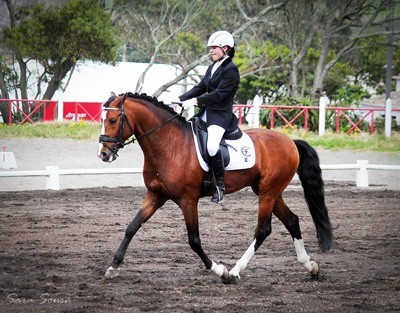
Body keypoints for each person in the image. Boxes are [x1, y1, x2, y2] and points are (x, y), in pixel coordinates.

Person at [178, 30, 240, 204]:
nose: (211, 51)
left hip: (221, 116)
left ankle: (220, 186)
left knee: (212, 146)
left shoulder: (231, 70)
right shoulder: (213, 67)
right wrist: (179, 98)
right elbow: (200, 87)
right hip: (206, 114)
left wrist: (195, 101)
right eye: (210, 48)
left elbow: (219, 95)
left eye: (214, 48)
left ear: (225, 48)